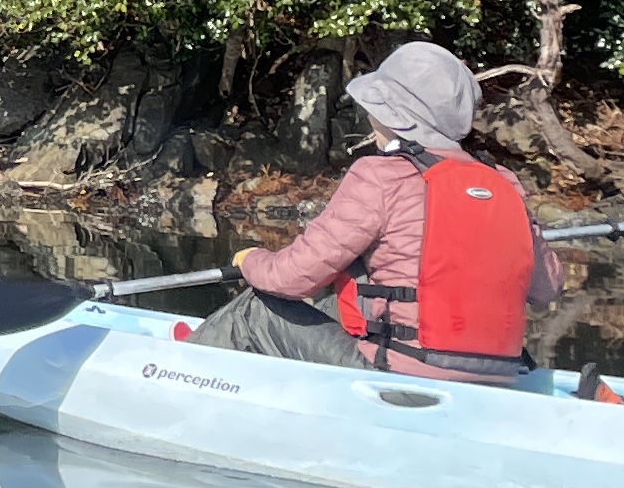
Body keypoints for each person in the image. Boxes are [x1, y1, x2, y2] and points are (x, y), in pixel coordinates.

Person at [192, 41, 560, 378]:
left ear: (394, 114)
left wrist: (250, 261)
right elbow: (547, 288)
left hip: (404, 374)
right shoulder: (504, 182)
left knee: (256, 310)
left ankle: (176, 371)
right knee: (336, 302)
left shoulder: (380, 175)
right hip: (498, 375)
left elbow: (291, 278)